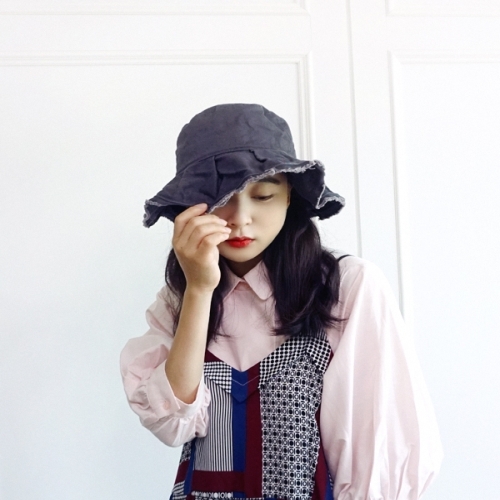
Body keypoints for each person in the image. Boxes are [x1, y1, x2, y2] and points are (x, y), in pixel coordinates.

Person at [120, 103, 443, 499]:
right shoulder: (179, 300)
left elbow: (381, 451)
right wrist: (199, 290)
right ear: (192, 205)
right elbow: (173, 425)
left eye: (263, 195)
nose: (241, 218)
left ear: (289, 196)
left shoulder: (345, 289)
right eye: (222, 198)